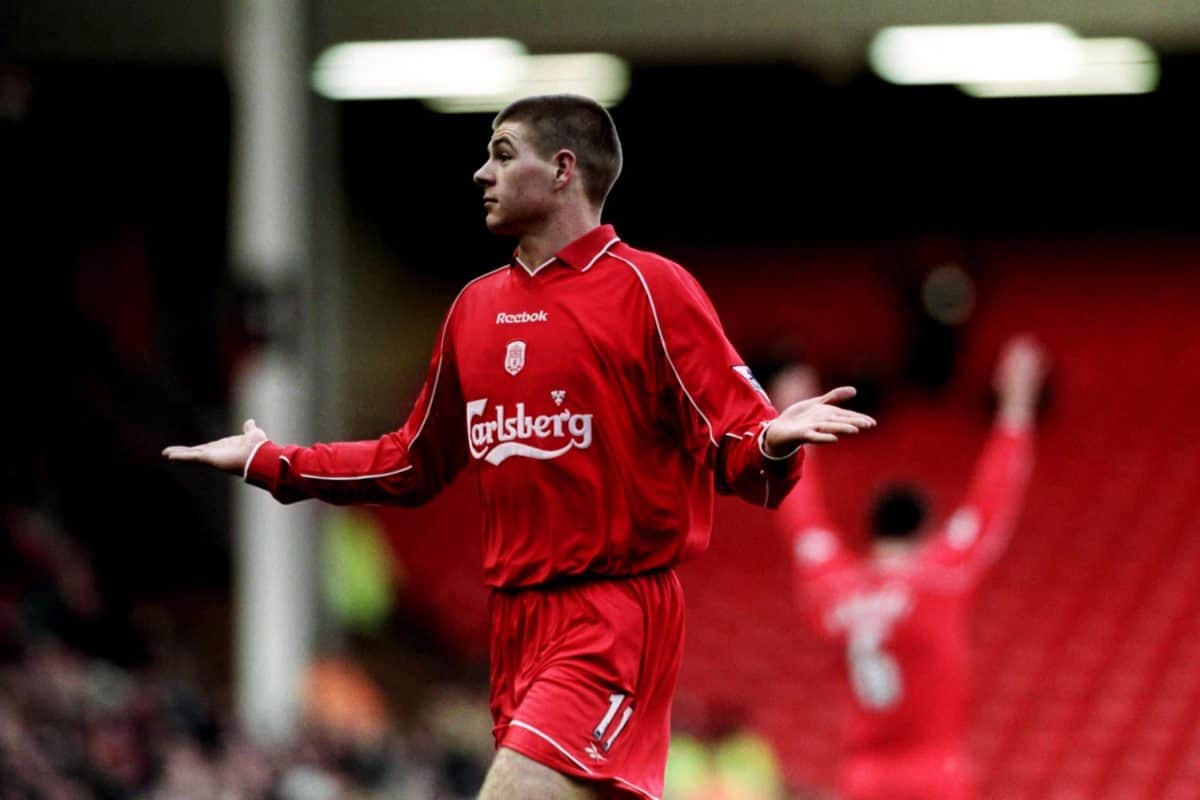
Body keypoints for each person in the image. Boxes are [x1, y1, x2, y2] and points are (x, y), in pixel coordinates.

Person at [163, 94, 877, 800]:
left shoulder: (650, 289)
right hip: (514, 627)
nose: (481, 173)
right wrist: (272, 462)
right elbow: (412, 460)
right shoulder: (474, 308)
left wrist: (774, 442)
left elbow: (739, 444)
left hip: (609, 617)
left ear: (564, 169)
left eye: (503, 155)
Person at [772, 335, 1047, 800]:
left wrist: (794, 426)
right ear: (924, 530)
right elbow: (991, 505)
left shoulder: (833, 588)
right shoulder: (938, 575)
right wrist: (1016, 408)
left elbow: (803, 519)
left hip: (864, 778)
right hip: (935, 772)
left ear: (872, 532)